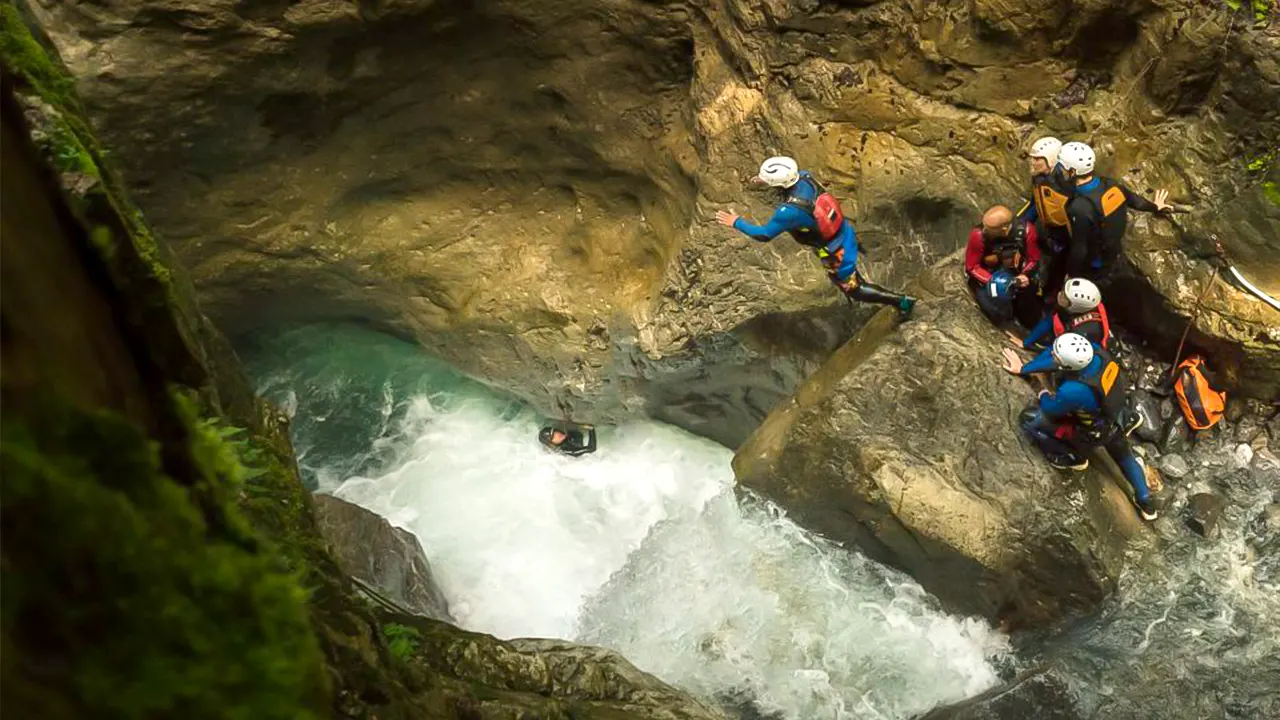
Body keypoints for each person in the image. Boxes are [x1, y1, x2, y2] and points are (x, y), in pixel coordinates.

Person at [716, 156, 917, 318]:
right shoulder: (805, 177)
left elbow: (764, 235)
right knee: (847, 271)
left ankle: (901, 301)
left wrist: (736, 222)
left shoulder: (788, 212)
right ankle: (859, 263)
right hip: (842, 228)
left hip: (834, 249)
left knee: (853, 288)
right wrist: (764, 179)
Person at [1002, 333, 1157, 520]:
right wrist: (1025, 368)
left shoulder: (1074, 390)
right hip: (1117, 417)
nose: (1053, 356)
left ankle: (1072, 458)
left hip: (1092, 431)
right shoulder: (1096, 351)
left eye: (1057, 358)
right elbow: (1054, 354)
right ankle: (1146, 502)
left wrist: (1042, 390)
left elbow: (1050, 409)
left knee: (1030, 419)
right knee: (1125, 457)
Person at [1057, 141, 1175, 283]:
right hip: (1113, 253)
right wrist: (1155, 206)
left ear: (1072, 172)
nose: (1059, 170)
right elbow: (1135, 201)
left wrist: (1072, 275)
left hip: (1093, 264)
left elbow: (1079, 248)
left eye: (1062, 167)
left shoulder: (1081, 207)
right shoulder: (1110, 185)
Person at [1016, 137, 1073, 304]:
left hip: (1067, 233)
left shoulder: (1065, 183)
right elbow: (1035, 203)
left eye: (1037, 158)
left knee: (1062, 265)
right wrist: (1021, 225)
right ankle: (1046, 291)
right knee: (1053, 263)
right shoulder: (1039, 178)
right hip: (1052, 231)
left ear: (1051, 159)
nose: (1032, 162)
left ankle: (1055, 294)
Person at [965, 204, 1042, 326]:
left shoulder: (1026, 231)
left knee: (1028, 303)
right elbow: (971, 266)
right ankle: (1005, 321)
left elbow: (1034, 259)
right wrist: (993, 281)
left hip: (1016, 272)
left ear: (1004, 229)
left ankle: (1029, 323)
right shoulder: (978, 235)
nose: (984, 230)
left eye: (988, 228)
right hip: (991, 275)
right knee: (994, 304)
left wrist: (1024, 275)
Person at [1009, 277, 1111, 351]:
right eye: (1063, 292)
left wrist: (1025, 364)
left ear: (1075, 306)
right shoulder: (1079, 306)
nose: (1059, 295)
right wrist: (1026, 342)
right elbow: (1050, 319)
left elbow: (1058, 353)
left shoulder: (1081, 333)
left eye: (1064, 298)